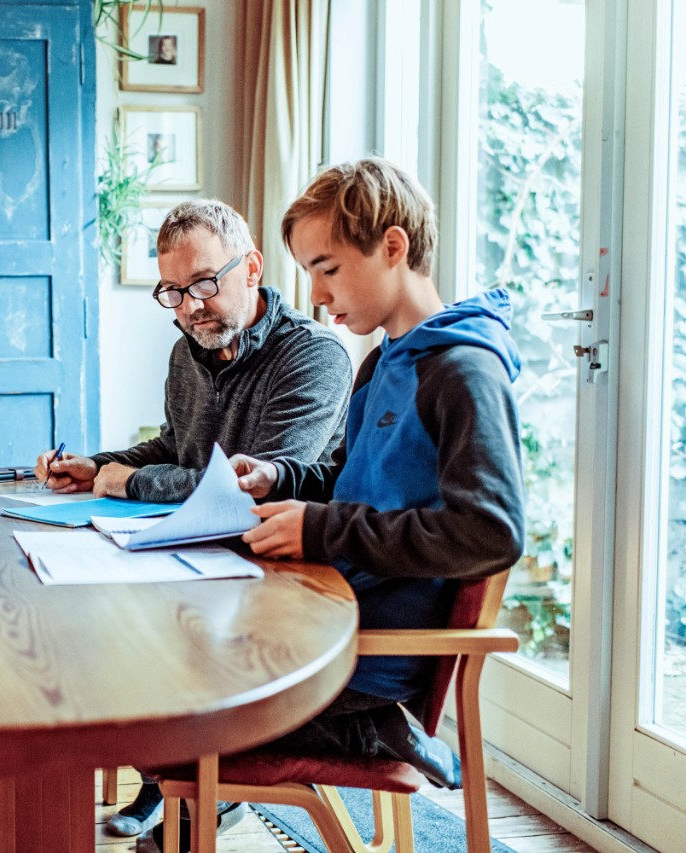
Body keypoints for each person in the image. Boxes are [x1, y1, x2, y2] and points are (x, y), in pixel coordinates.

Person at [138, 159, 527, 852]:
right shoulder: (385, 360)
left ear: (394, 247)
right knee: (147, 664)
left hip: (366, 660)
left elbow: (490, 531)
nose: (315, 294)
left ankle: (370, 728)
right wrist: (283, 479)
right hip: (329, 624)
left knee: (148, 713)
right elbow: (346, 480)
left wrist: (324, 527)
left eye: (329, 268)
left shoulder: (462, 370)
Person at [36, 199, 353, 838]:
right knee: (79, 628)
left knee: (137, 645)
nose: (190, 307)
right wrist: (96, 466)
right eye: (174, 292)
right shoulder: (190, 351)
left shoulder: (314, 357)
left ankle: (196, 782)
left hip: (274, 575)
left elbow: (243, 492)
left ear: (253, 268)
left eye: (205, 283)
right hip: (194, 559)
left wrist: (125, 483)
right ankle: (171, 779)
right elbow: (174, 449)